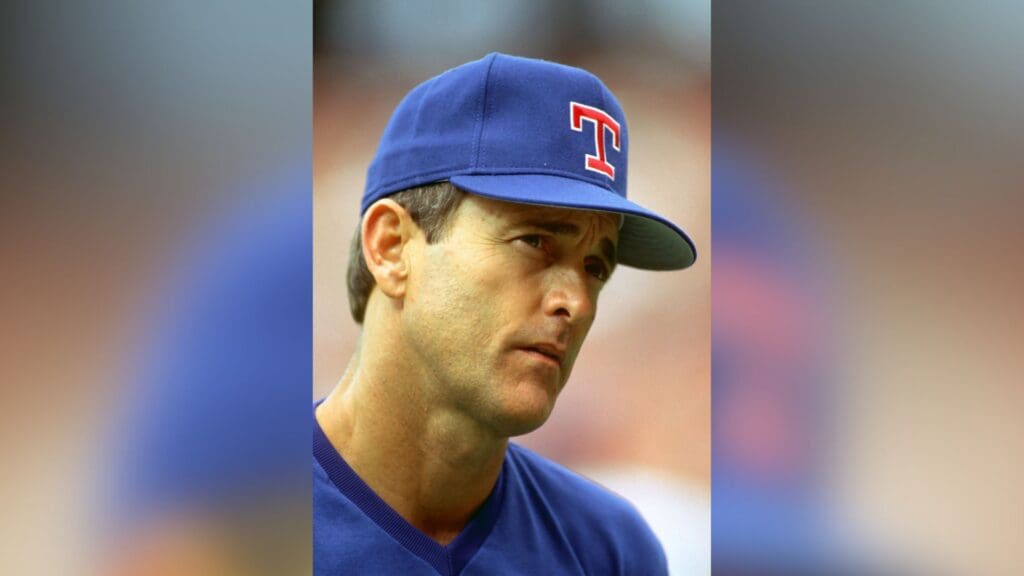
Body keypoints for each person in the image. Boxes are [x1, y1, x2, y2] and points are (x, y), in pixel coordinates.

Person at [314, 52, 696, 575]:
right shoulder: (230, 527)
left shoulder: (608, 549)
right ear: (391, 247)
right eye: (534, 241)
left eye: (595, 267)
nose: (577, 302)